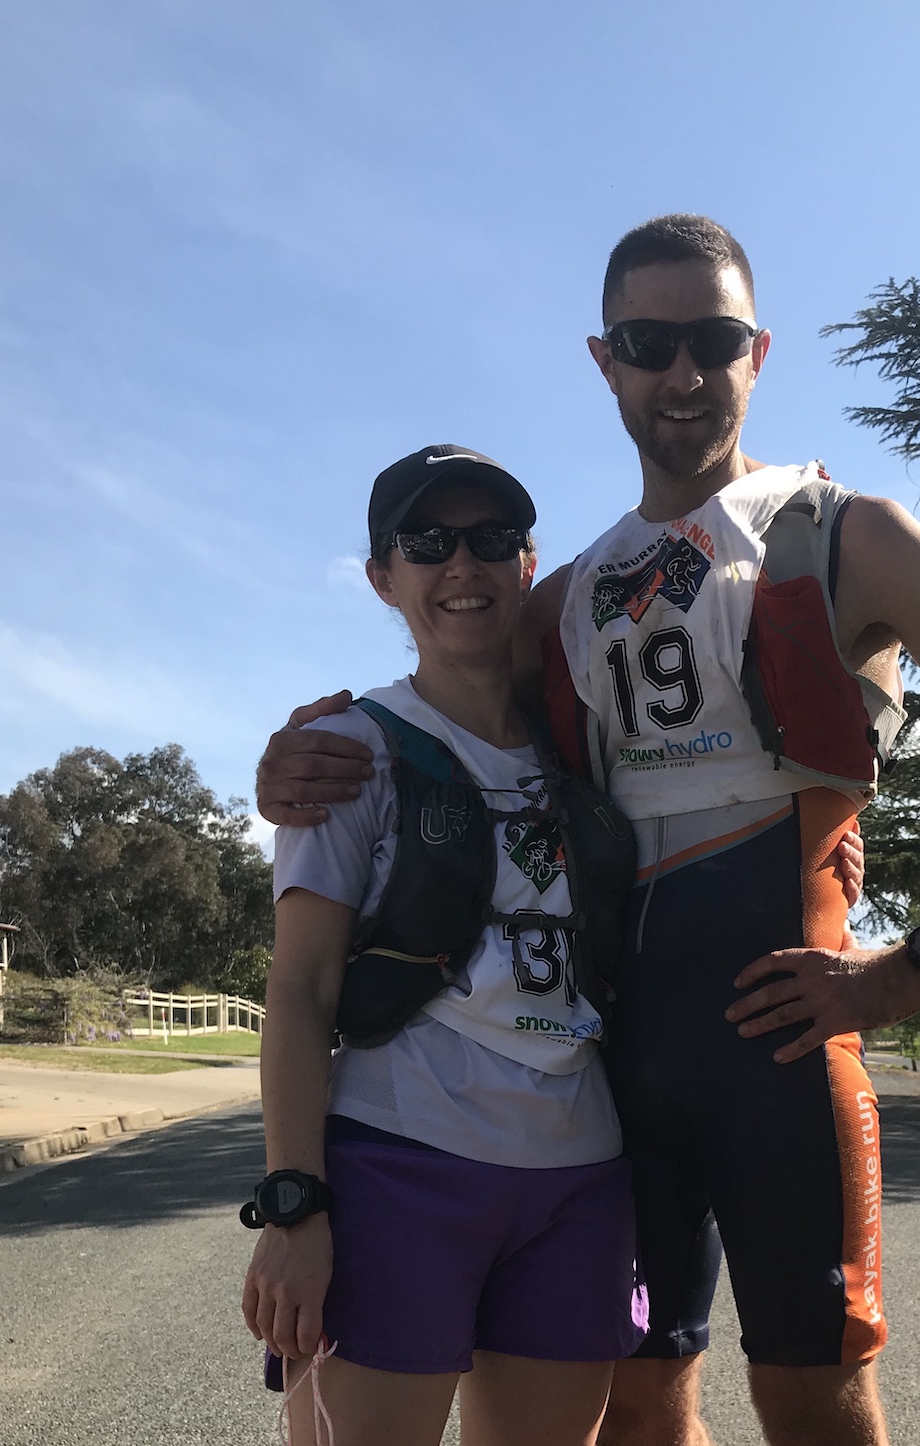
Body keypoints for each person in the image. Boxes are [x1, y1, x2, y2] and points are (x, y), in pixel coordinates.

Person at [257, 216, 920, 1446]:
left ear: (759, 352)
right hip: (614, 1081)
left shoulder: (849, 537)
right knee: (633, 1414)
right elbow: (428, 705)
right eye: (648, 341)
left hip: (779, 1066)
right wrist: (299, 752)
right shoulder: (560, 595)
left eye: (713, 341)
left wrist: (918, 969)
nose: (683, 374)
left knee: (812, 1405)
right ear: (605, 360)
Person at [242, 446, 648, 1446]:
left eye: (490, 540)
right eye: (425, 544)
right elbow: (299, 989)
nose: (460, 567)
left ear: (526, 564)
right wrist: (295, 1208)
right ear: (383, 577)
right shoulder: (351, 752)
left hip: (579, 1178)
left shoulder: (591, 743)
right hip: (400, 1167)